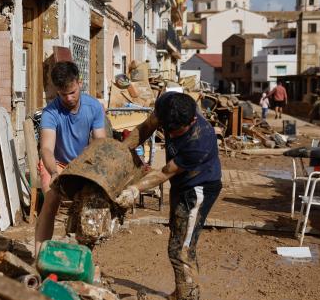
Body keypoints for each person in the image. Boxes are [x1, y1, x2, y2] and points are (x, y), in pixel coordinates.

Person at [117, 92, 222, 300]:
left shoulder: (200, 140)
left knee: (181, 249)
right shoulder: (168, 104)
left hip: (198, 189)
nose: (171, 136)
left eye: (176, 132)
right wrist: (120, 151)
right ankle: (182, 292)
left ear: (192, 120)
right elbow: (146, 127)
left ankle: (188, 297)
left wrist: (134, 189)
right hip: (181, 184)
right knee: (177, 239)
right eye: (168, 129)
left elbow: (165, 172)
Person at [35, 61, 106, 255]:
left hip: (83, 163)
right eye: (63, 94)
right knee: (50, 200)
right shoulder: (50, 112)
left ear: (79, 83)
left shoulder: (94, 107)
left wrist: (92, 169)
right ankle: (39, 256)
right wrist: (54, 172)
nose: (68, 98)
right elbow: (47, 149)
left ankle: (83, 257)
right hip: (56, 163)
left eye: (72, 92)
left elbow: (100, 143)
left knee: (91, 208)